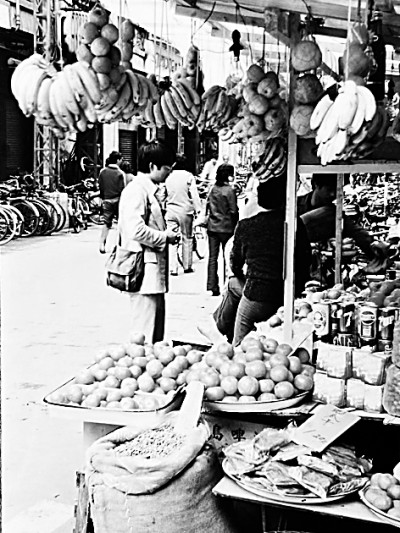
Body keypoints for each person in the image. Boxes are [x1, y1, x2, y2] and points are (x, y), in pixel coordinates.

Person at [230, 178, 311, 346]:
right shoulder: (294, 224)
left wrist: (246, 278)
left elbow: (235, 263)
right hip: (287, 295)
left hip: (256, 295)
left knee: (238, 347)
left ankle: (217, 327)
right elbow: (305, 260)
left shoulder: (246, 226)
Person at [117, 140, 178, 344]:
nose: (169, 173)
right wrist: (164, 237)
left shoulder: (150, 189)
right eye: (167, 168)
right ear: (153, 166)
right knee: (145, 334)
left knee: (155, 331)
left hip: (153, 271)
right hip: (144, 271)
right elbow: (135, 230)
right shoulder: (136, 190)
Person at [297, 173, 388, 262]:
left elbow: (357, 233)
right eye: (329, 189)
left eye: (336, 190)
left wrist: (374, 246)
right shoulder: (293, 205)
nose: (333, 194)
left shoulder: (334, 214)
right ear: (317, 185)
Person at [165, 154, 202, 276]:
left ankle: (172, 268)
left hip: (170, 210)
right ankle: (187, 266)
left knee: (172, 239)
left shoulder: (168, 177)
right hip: (185, 211)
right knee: (187, 238)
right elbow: (194, 195)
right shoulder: (188, 176)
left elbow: (161, 194)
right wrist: (198, 210)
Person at [206, 164, 239, 296]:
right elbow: (233, 210)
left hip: (213, 227)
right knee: (228, 257)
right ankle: (227, 285)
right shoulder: (229, 191)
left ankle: (212, 285)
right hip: (227, 228)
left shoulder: (213, 189)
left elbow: (208, 205)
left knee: (213, 258)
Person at [98, 151, 124, 254]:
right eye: (121, 160)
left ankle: (102, 244)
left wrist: (102, 198)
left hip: (106, 200)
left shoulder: (102, 172)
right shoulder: (120, 173)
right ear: (117, 160)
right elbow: (123, 189)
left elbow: (101, 187)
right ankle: (119, 245)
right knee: (121, 223)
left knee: (106, 223)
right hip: (118, 200)